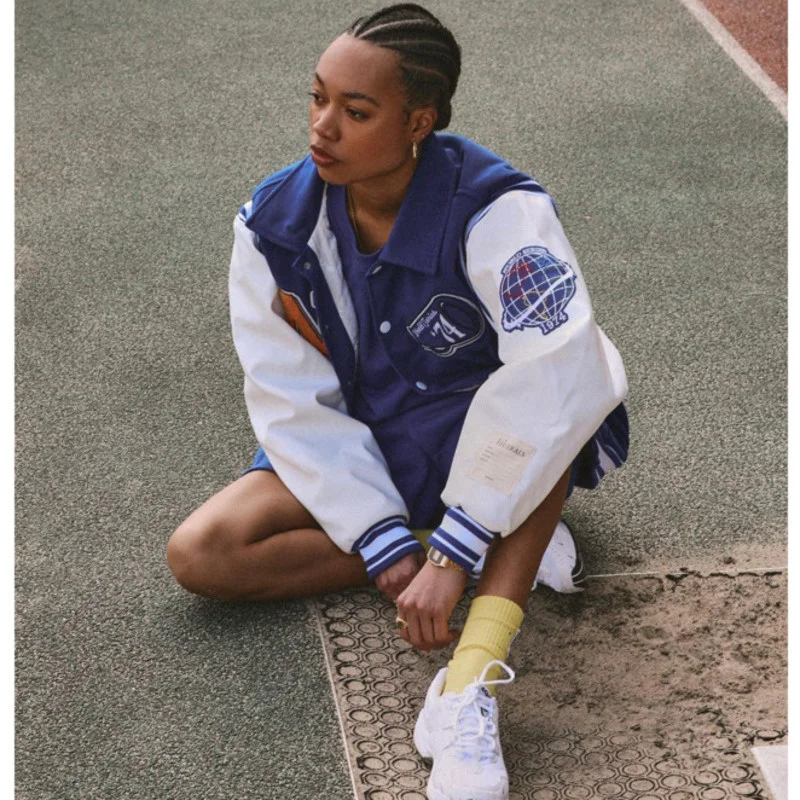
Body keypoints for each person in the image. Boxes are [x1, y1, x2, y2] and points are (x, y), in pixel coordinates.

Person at [166, 4, 629, 799]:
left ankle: (468, 682)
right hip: (363, 435)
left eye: (356, 111)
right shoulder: (273, 224)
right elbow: (290, 400)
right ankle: (478, 537)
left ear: (418, 122)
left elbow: (553, 377)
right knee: (202, 553)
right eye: (317, 99)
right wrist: (387, 542)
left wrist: (454, 551)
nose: (322, 128)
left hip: (476, 431)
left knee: (551, 424)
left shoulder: (499, 209)